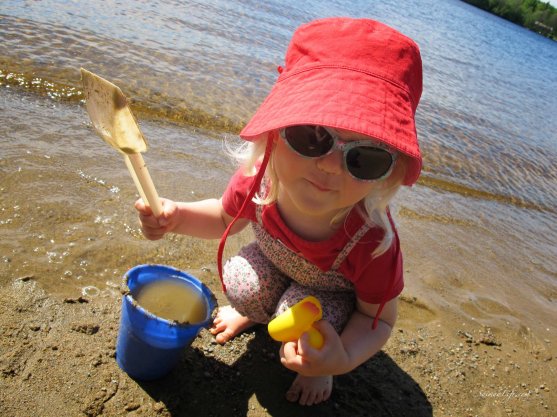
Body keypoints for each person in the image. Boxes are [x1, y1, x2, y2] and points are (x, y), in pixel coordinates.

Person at [136, 17, 423, 406]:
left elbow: (379, 319)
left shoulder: (370, 239)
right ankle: (257, 314)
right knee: (240, 282)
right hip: (275, 266)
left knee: (297, 316)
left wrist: (340, 360)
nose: (330, 166)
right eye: (312, 136)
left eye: (365, 158)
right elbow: (223, 218)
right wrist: (176, 216)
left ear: (386, 175)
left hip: (328, 299)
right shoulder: (261, 181)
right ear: (276, 130)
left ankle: (315, 361)